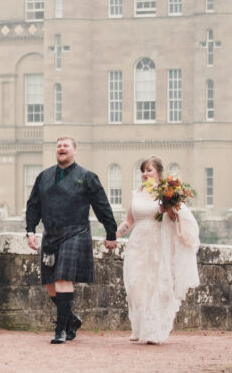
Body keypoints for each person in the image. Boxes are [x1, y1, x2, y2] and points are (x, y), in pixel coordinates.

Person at [25, 136, 118, 344]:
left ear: (75, 151)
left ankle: (60, 330)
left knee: (62, 278)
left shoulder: (87, 176)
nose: (61, 148)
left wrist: (110, 233)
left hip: (75, 232)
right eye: (58, 146)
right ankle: (71, 319)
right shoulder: (44, 176)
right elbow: (33, 205)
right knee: (50, 284)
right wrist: (30, 231)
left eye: (66, 146)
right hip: (50, 234)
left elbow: (101, 205)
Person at [116, 155, 201, 344]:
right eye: (143, 171)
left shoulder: (166, 193)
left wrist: (168, 210)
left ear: (158, 173)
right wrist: (115, 235)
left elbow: (174, 217)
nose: (145, 174)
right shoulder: (136, 194)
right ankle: (138, 327)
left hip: (157, 243)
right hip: (138, 243)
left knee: (155, 286)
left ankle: (153, 331)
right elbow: (129, 221)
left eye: (149, 170)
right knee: (135, 285)